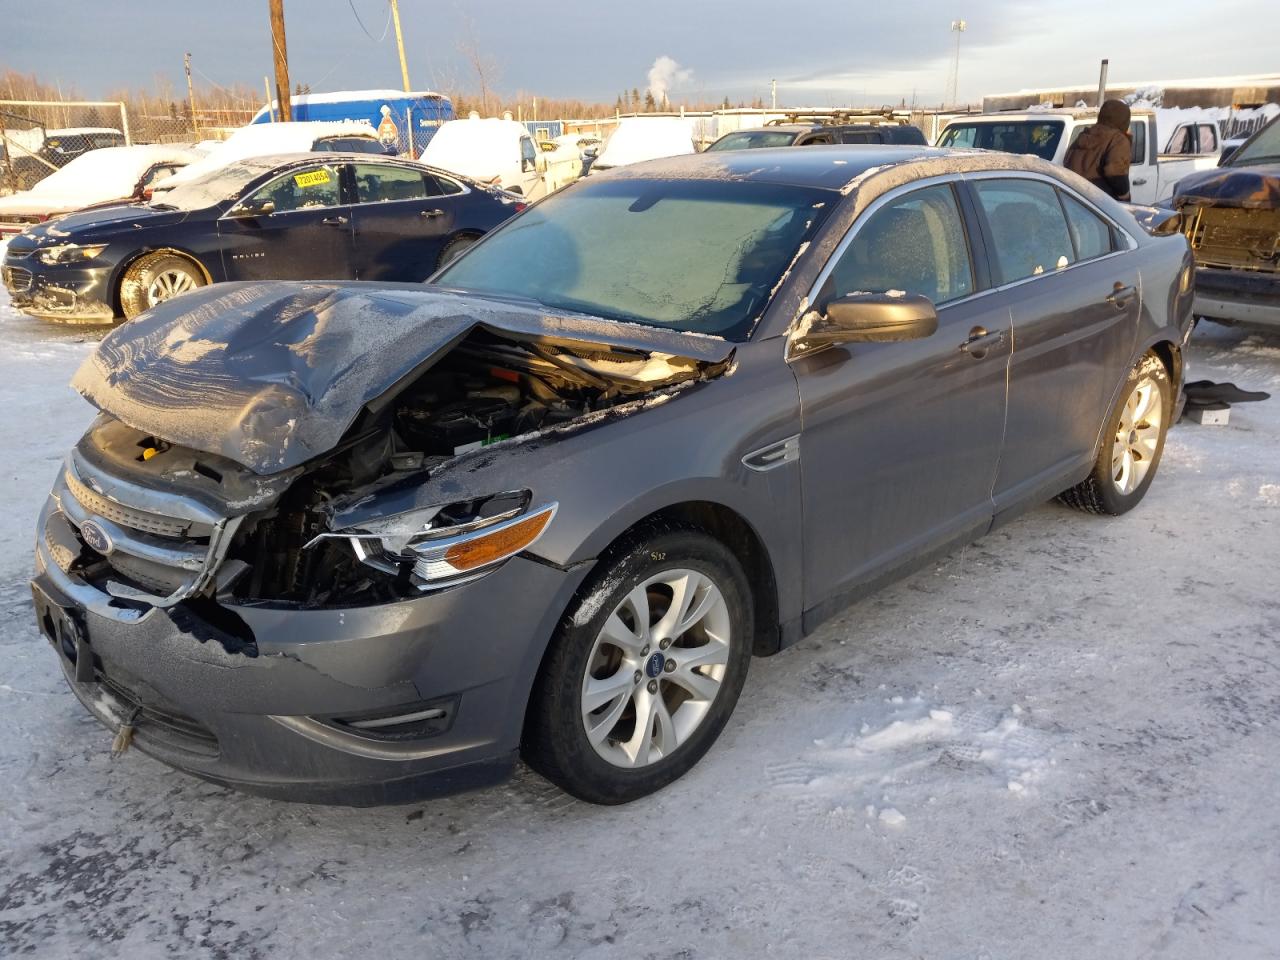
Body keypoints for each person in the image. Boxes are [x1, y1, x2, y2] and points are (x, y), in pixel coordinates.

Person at [1064, 99, 1133, 201]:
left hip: (1077, 201)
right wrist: (1125, 195)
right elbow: (1115, 173)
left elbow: (1067, 162)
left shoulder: (1084, 135)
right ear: (1123, 120)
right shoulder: (1118, 140)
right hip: (1103, 204)